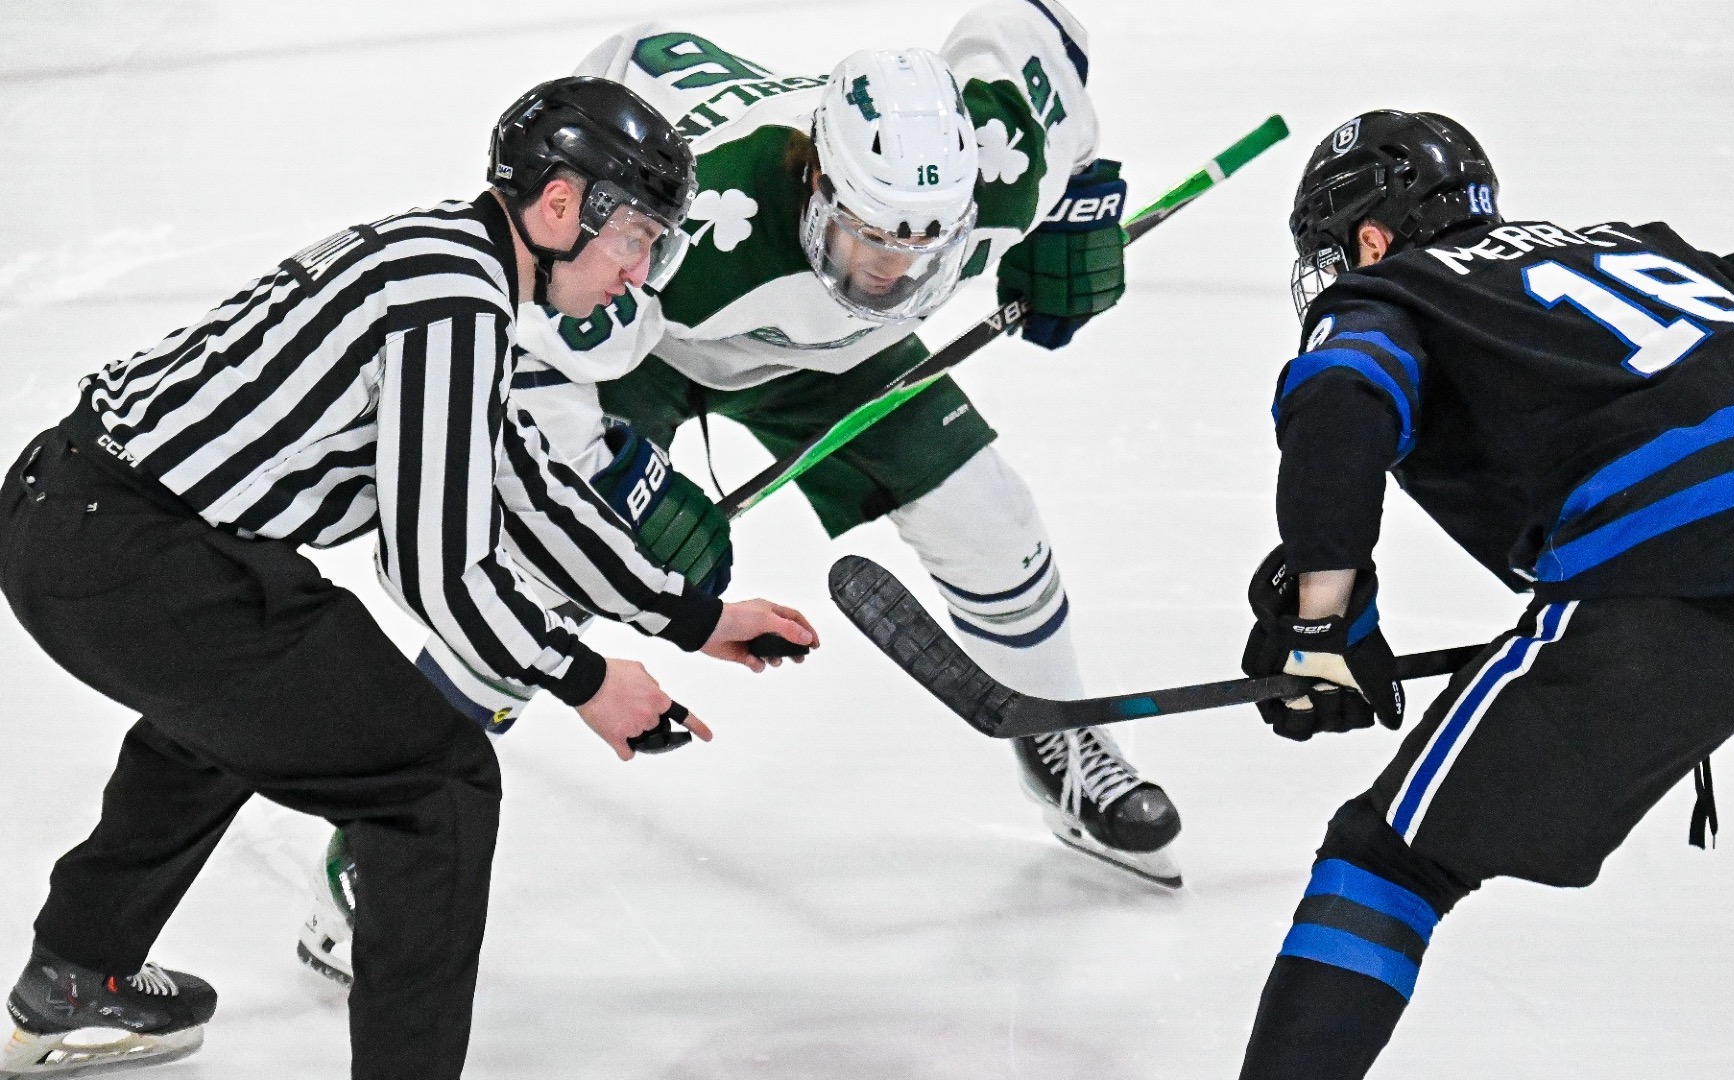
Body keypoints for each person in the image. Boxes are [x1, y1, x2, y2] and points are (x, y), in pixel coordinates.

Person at [0, 76, 813, 1080]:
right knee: (437, 784)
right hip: (126, 553)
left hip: (81, 522)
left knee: (240, 700)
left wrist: (693, 618)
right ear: (561, 206)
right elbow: (440, 571)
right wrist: (587, 679)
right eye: (637, 238)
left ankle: (79, 973)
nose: (639, 274)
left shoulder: (450, 266)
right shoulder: (450, 302)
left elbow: (522, 477)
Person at [313, 0, 1184, 912]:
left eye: (929, 250)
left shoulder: (999, 151)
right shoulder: (690, 228)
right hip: (642, 340)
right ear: (816, 185)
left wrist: (1082, 203)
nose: (893, 278)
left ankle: (1065, 744)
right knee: (545, 567)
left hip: (822, 355)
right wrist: (622, 479)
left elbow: (1037, 27)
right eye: (870, 242)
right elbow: (529, 366)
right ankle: (391, 822)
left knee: (991, 520)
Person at [1233, 110, 1734, 1079]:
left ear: (1372, 237)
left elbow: (1342, 399)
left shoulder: (1397, 291)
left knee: (1387, 862)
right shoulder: (1666, 256)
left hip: (1673, 585)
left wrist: (1322, 621)